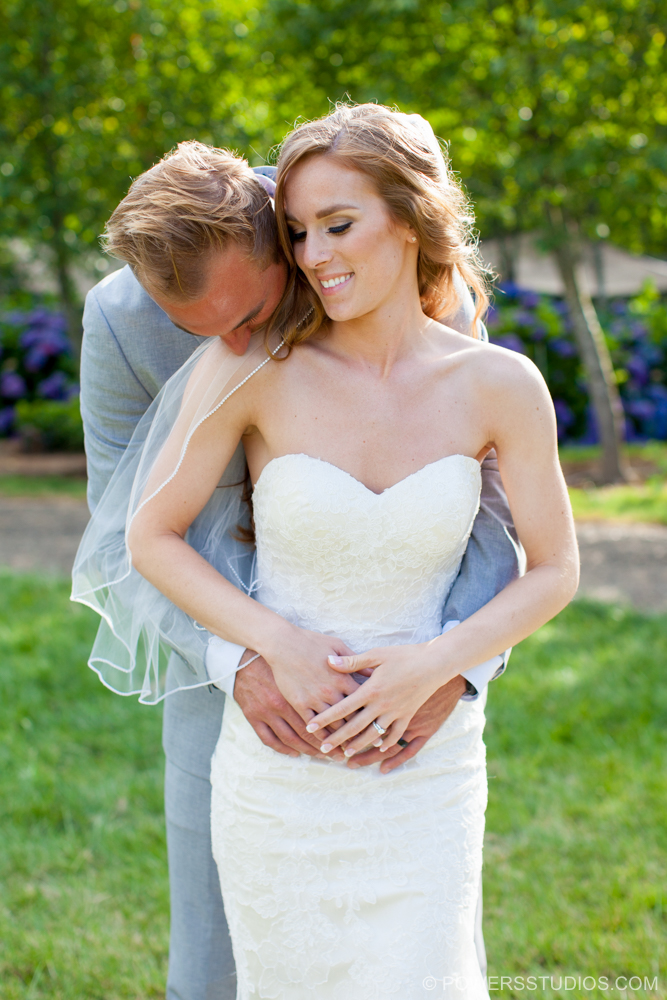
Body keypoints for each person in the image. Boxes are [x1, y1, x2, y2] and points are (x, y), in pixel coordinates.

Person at [76, 105, 579, 998]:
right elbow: (130, 534)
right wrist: (250, 656)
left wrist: (450, 672)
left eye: (257, 313)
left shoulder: (412, 293)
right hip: (234, 700)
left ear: (276, 244)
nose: (237, 346)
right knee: (217, 970)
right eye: (204, 332)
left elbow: (497, 524)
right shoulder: (131, 328)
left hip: (423, 729)